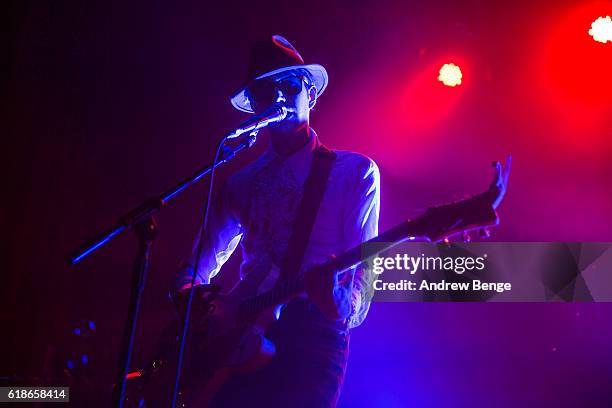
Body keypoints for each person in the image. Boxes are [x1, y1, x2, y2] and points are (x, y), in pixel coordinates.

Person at [175, 35, 381, 407]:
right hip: (239, 337)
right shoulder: (238, 183)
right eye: (266, 90)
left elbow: (366, 276)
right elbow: (194, 268)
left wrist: (338, 302)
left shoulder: (355, 173)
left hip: (313, 335)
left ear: (311, 94)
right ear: (254, 104)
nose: (280, 97)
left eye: (289, 85)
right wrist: (201, 313)